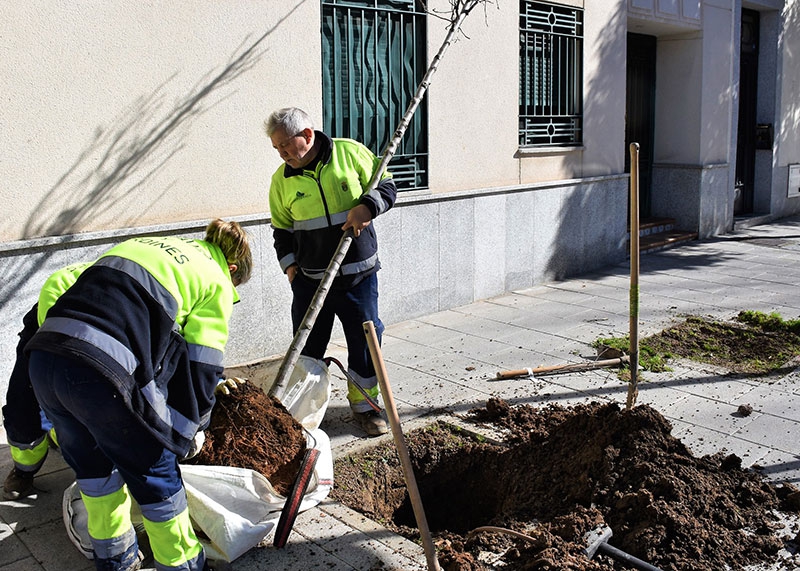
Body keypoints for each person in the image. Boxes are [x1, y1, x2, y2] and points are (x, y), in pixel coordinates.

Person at [26, 219, 252, 571]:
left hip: (45, 361)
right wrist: (191, 429)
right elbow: (201, 368)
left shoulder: (149, 246)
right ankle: (181, 564)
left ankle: (116, 559)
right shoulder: (215, 280)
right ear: (232, 269)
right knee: (156, 475)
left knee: (95, 474)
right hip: (102, 374)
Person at [264, 107, 397, 437]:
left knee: (365, 343)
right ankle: (307, 410)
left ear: (306, 136)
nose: (281, 154)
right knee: (307, 348)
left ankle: (366, 406)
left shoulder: (349, 153)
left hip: (358, 276)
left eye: (284, 145)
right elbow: (281, 229)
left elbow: (388, 186)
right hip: (310, 281)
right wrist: (290, 268)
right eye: (276, 148)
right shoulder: (281, 181)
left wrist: (368, 207)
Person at [2, 262, 91, 500]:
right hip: (51, 321)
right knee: (23, 407)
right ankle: (24, 470)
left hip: (101, 325)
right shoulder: (59, 298)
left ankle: (59, 436)